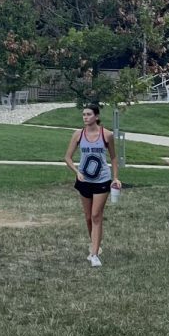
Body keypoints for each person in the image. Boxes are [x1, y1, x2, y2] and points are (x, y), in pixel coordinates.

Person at [63, 104, 122, 268]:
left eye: (88, 114)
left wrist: (115, 178)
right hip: (84, 180)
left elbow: (114, 158)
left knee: (97, 215)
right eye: (83, 115)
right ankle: (95, 245)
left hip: (102, 179)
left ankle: (94, 254)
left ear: (96, 116)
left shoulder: (107, 134)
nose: (85, 117)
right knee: (88, 217)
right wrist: (76, 171)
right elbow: (67, 157)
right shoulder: (78, 134)